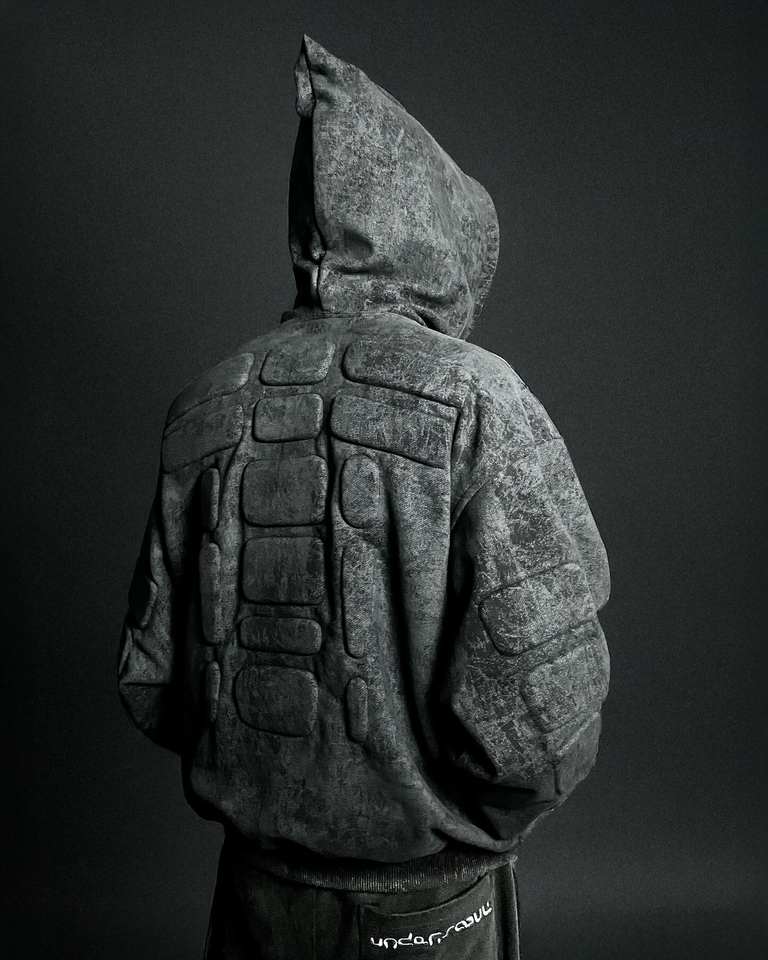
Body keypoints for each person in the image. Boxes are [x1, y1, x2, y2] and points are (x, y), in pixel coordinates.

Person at [118, 35, 611, 959]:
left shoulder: (206, 407)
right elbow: (544, 715)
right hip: (428, 910)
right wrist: (460, 824)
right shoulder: (475, 396)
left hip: (255, 899)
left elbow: (152, 680)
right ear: (439, 231)